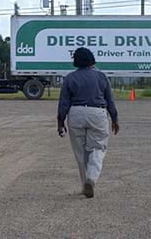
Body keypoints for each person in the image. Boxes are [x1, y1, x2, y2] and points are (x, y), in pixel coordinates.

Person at [57, 47, 120, 198]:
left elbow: (64, 103)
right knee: (98, 148)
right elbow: (110, 101)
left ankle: (85, 183)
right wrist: (115, 119)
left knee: (81, 152)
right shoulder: (101, 77)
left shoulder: (70, 78)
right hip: (97, 113)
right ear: (92, 59)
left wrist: (60, 122)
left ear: (76, 61)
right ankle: (91, 179)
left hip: (76, 113)